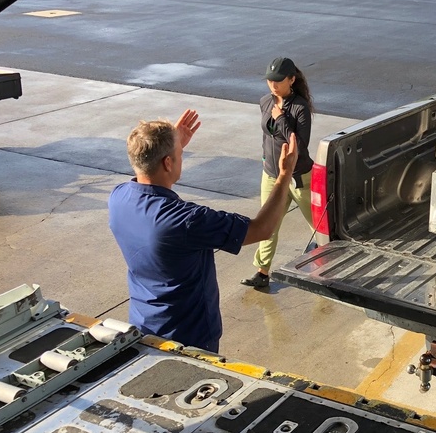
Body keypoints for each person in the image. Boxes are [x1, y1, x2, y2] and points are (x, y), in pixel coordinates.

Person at [108, 109, 298, 352]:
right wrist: (284, 174)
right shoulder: (186, 220)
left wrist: (170, 144)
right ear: (167, 163)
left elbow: (147, 169)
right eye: (179, 154)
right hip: (189, 340)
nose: (182, 156)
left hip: (144, 326)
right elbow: (262, 229)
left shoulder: (118, 198)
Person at [242, 56, 316, 291]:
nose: (273, 85)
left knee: (319, 226)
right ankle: (262, 272)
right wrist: (266, 160)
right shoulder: (265, 101)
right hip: (272, 176)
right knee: (267, 225)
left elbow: (299, 144)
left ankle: (334, 263)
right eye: (270, 81)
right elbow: (267, 137)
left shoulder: (299, 107)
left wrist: (281, 118)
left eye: (278, 81)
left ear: (292, 80)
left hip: (299, 178)